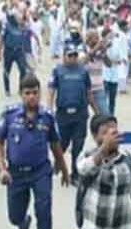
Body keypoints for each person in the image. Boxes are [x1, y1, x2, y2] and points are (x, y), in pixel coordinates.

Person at [0, 74, 70, 229]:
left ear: (40, 93)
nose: (31, 97)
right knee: (14, 215)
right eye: (27, 93)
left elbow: (55, 144)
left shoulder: (47, 117)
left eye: (35, 93)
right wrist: (1, 169)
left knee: (44, 213)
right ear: (21, 94)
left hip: (41, 172)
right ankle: (23, 223)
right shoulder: (9, 115)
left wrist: (64, 169)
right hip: (15, 175)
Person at [47, 42, 98, 186]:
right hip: (63, 114)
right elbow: (51, 91)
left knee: (78, 145)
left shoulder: (83, 71)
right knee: (62, 144)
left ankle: (74, 174)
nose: (73, 58)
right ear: (64, 56)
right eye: (70, 55)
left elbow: (89, 93)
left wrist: (97, 112)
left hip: (80, 114)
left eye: (75, 55)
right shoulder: (57, 70)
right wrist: (49, 109)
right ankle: (58, 163)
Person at [0, 12, 27, 97]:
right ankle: (7, 90)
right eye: (17, 17)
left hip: (19, 51)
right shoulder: (6, 26)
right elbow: (1, 39)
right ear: (12, 18)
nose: (19, 18)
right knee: (7, 71)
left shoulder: (21, 26)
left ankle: (21, 88)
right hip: (8, 51)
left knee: (23, 69)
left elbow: (24, 38)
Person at [84, 29, 110, 115]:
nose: (97, 40)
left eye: (98, 38)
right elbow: (83, 61)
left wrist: (104, 52)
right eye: (95, 38)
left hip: (98, 88)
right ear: (88, 39)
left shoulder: (99, 51)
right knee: (82, 116)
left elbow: (109, 64)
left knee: (105, 115)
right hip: (84, 89)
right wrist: (96, 48)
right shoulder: (83, 49)